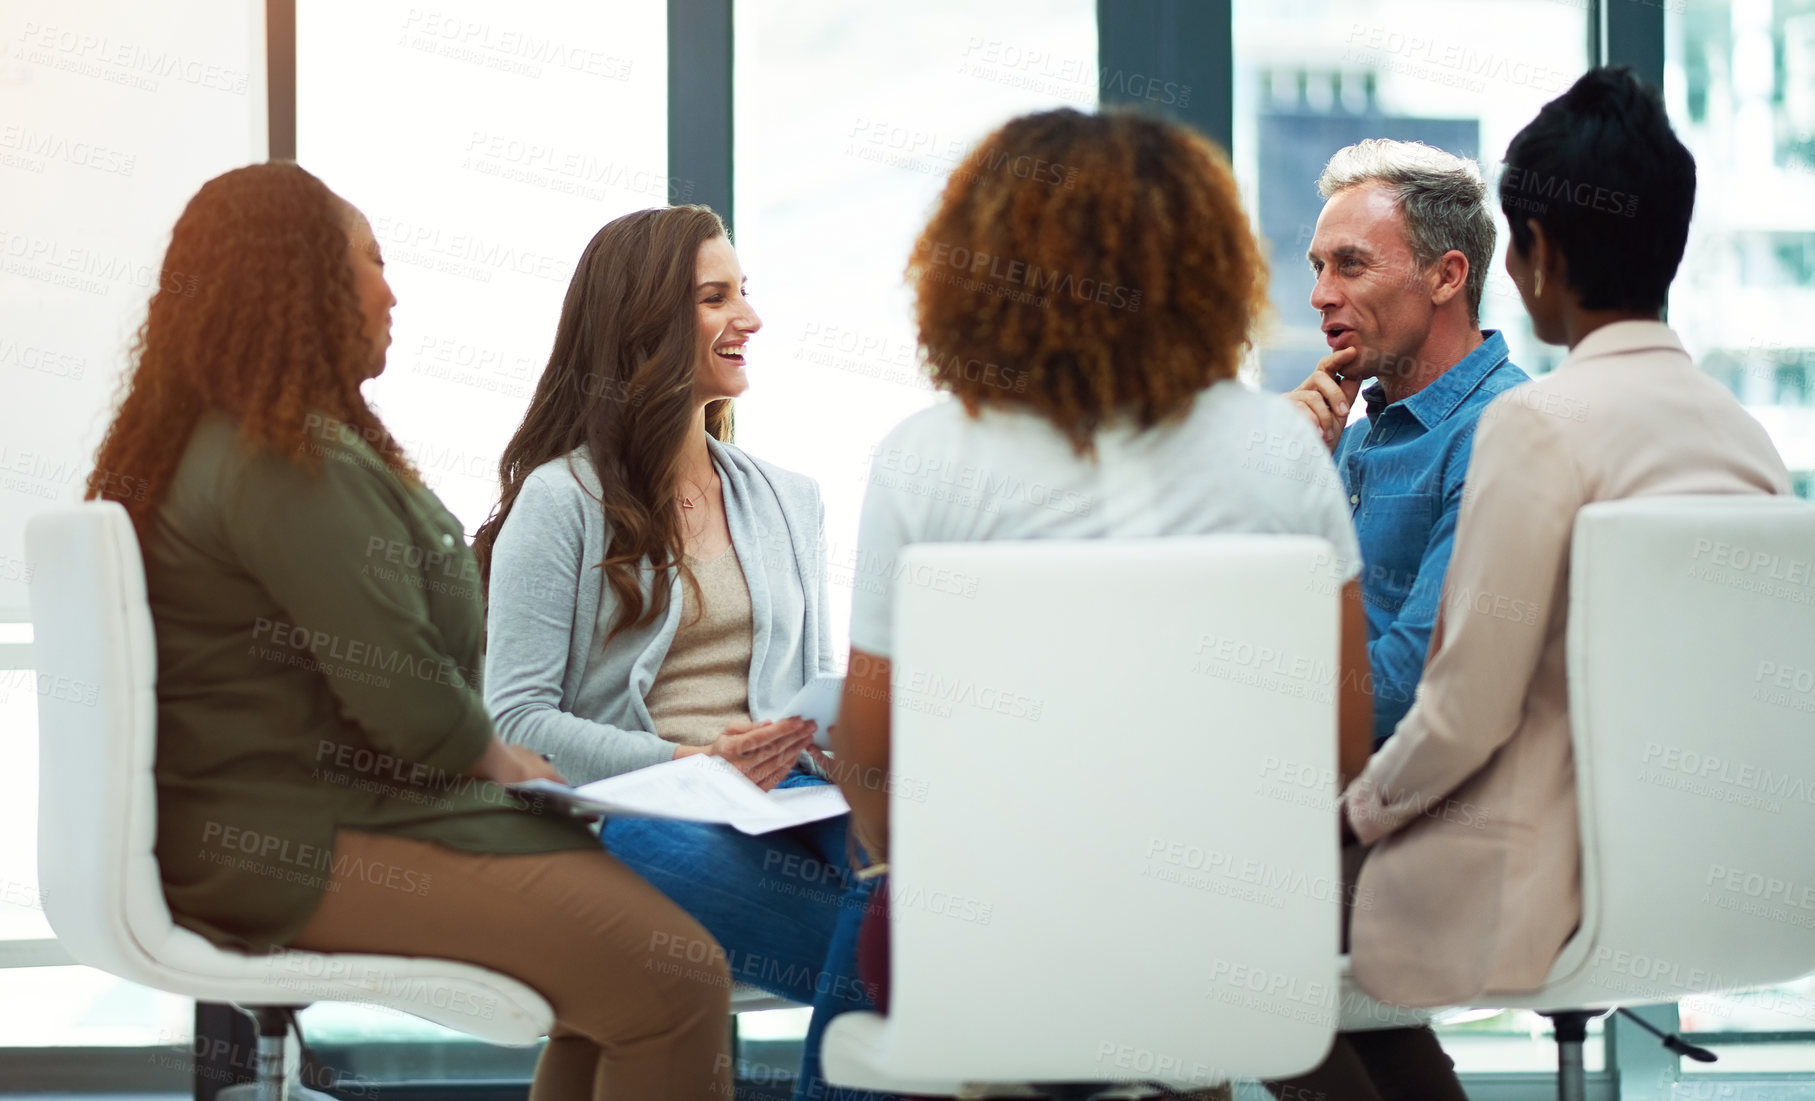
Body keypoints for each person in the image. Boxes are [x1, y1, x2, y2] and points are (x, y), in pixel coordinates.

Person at [90, 163, 732, 1099]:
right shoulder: (282, 457)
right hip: (293, 841)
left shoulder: (239, 438)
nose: (393, 291)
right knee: (676, 978)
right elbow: (403, 697)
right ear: (300, 282)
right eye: (373, 262)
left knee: (626, 986)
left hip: (264, 830)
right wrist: (501, 758)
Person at [828, 107, 1372, 1101]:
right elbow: (1338, 750)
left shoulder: (925, 460)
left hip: (980, 958)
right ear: (1204, 271)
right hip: (1225, 949)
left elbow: (868, 759)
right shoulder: (1281, 456)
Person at [1273, 67, 1794, 1101]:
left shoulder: (1531, 425)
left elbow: (1455, 706)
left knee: (1226, 913)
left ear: (1535, 256)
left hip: (1541, 866)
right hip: (1722, 866)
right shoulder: (1747, 440)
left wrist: (1344, 815)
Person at [476, 205, 892, 1101]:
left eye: (745, 293)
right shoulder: (560, 502)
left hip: (783, 799)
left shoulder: (790, 497)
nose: (750, 318)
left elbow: (804, 684)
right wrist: (690, 758)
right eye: (717, 297)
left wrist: (826, 738)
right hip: (633, 812)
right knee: (908, 955)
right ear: (645, 325)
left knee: (910, 849)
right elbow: (512, 717)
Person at [1284, 139, 1531, 746]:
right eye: (1318, 267)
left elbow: (1403, 691)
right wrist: (1284, 473)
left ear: (1446, 276)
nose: (1321, 296)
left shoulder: (1503, 431)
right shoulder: (1347, 436)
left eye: (1351, 264)